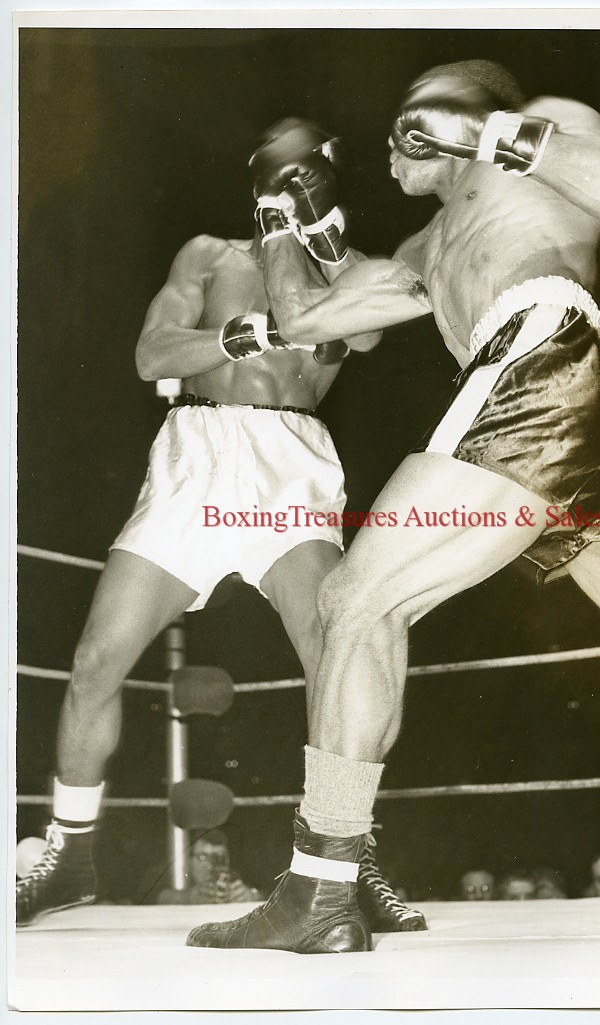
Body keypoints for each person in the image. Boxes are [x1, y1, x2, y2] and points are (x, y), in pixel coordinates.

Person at [187, 59, 600, 953]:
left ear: (447, 113)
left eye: (404, 124)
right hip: (567, 433)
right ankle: (321, 889)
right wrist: (281, 212)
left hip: (540, 363)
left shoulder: (536, 138)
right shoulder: (428, 246)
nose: (389, 150)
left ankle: (318, 886)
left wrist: (490, 131)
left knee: (357, 600)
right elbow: (313, 319)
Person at [15, 123, 426, 935]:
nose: (296, 174)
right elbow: (151, 355)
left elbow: (367, 330)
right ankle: (70, 853)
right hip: (195, 458)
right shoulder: (207, 255)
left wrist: (314, 243)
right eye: (284, 162)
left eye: (310, 164)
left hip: (288, 466)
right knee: (97, 657)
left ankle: (346, 854)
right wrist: (254, 333)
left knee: (342, 654)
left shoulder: (343, 267)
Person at [156, 830, 264, 905]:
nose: (211, 866)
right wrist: (188, 898)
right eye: (203, 857)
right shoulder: (174, 876)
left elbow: (267, 893)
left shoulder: (236, 878)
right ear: (188, 860)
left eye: (219, 858)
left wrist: (253, 896)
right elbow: (152, 895)